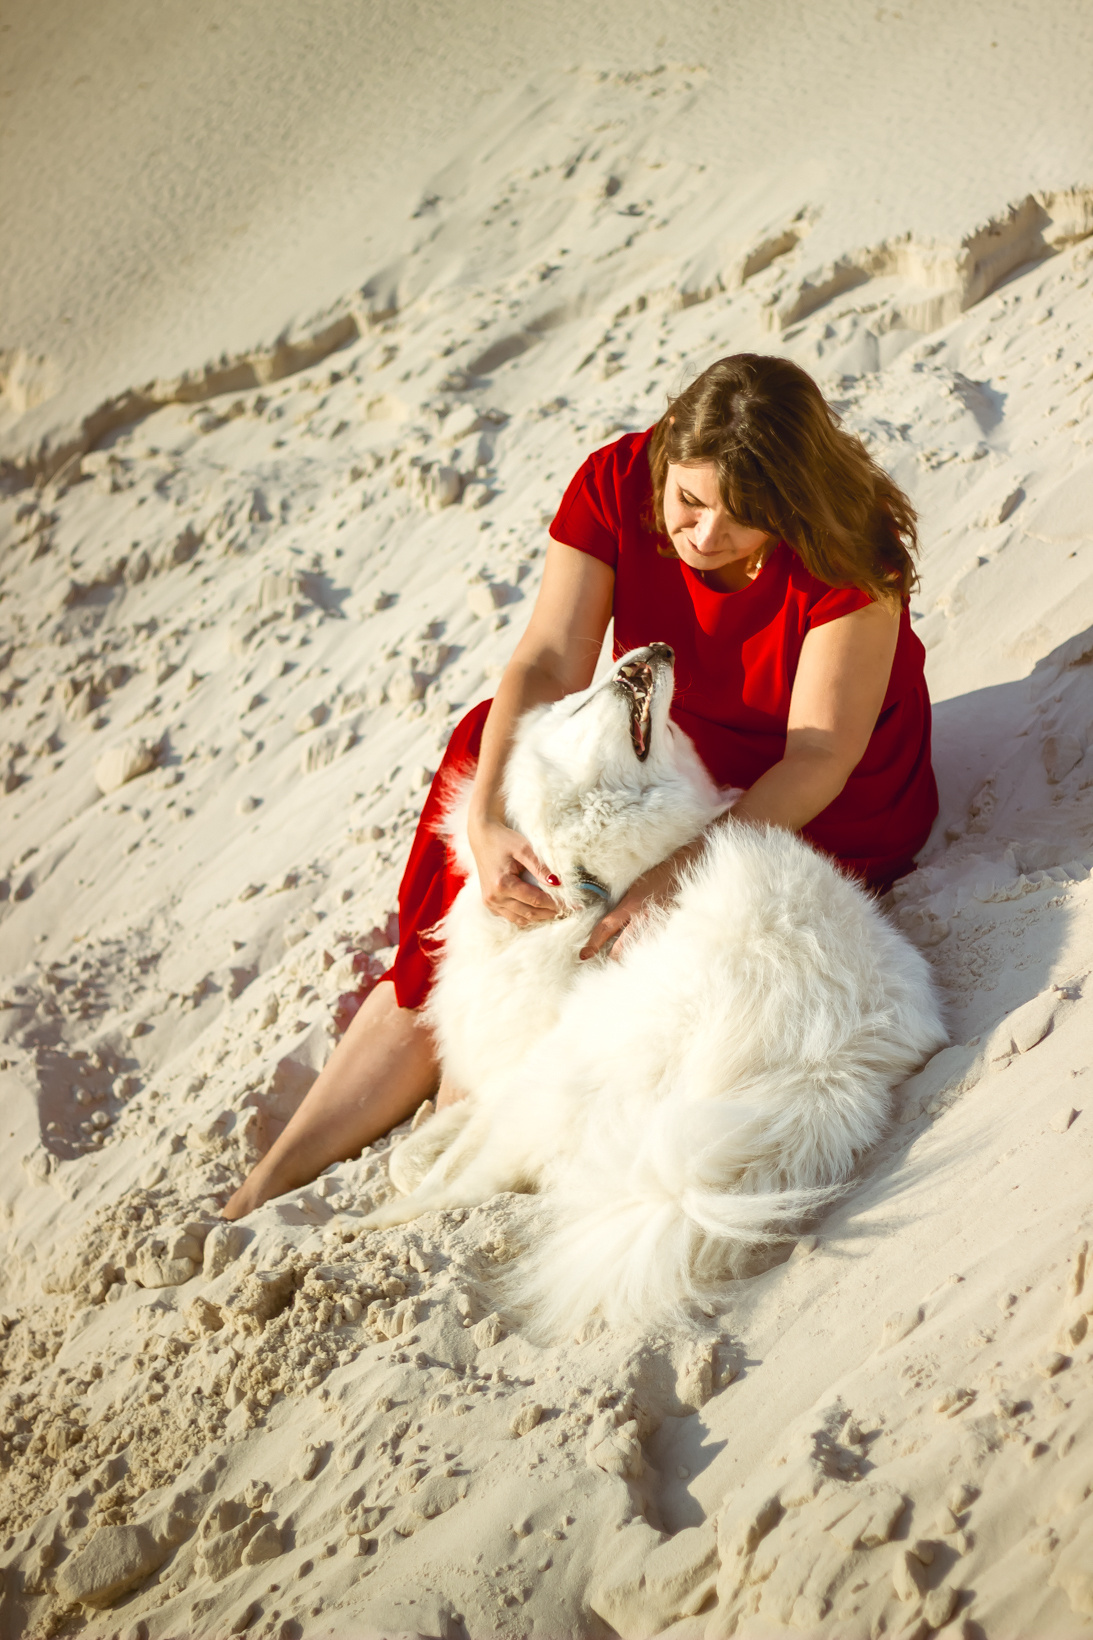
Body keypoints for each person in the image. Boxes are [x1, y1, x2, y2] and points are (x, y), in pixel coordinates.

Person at [223, 352, 937, 1221]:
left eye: (745, 519)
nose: (706, 535)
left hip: (812, 795)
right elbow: (549, 661)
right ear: (668, 453)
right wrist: (485, 819)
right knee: (477, 747)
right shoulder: (616, 481)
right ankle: (401, 1040)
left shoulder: (849, 549)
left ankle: (483, 1088)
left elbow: (818, 756)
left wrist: (679, 873)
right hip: (675, 743)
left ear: (789, 503)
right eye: (690, 501)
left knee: (638, 913)